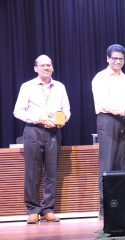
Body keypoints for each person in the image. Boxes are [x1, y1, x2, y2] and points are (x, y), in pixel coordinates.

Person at [13, 55, 71, 224]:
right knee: (32, 172)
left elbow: (67, 110)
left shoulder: (60, 87)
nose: (46, 68)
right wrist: (38, 118)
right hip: (33, 131)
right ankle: (32, 210)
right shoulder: (27, 86)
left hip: (53, 132)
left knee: (51, 173)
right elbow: (18, 111)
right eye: (42, 65)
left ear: (52, 67)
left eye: (49, 65)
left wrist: (62, 120)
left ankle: (48, 209)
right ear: (35, 68)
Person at [91, 44, 125, 218]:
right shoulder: (100, 78)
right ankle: (105, 208)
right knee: (107, 164)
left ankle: (120, 204)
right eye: (115, 58)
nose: (118, 61)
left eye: (121, 59)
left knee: (121, 163)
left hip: (124, 122)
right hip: (107, 119)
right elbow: (103, 103)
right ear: (107, 59)